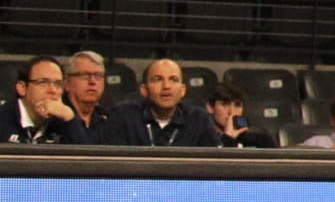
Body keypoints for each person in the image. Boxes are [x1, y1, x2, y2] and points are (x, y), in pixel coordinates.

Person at [88, 58, 220, 147]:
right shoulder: (123, 116)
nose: (166, 86)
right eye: (157, 79)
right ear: (144, 90)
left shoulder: (199, 119)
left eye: (173, 80)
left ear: (182, 90)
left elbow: (216, 167)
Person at [3, 55, 83, 143]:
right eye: (43, 82)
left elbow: (85, 155)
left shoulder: (64, 121)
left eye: (58, 84)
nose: (53, 90)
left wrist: (69, 118)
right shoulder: (3, 118)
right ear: (22, 88)